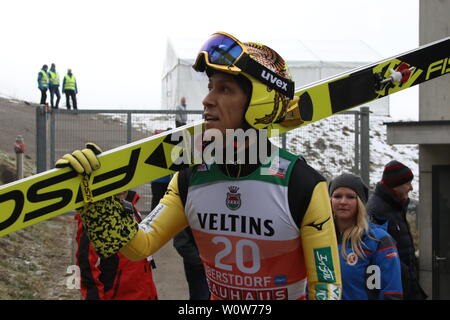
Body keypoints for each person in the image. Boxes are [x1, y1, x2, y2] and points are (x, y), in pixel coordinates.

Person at [56, 32, 342, 300]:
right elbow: (140, 245)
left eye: (225, 89)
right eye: (209, 88)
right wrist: (97, 201)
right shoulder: (189, 177)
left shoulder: (301, 184)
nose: (207, 100)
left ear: (259, 103)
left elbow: (327, 286)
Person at [329, 173, 403, 300]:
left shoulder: (379, 240)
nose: (343, 202)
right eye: (337, 196)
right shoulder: (319, 239)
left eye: (350, 197)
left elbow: (392, 293)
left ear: (360, 202)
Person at [75, 190, 158, 300]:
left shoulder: (128, 206)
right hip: (118, 294)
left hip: (144, 291)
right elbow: (85, 265)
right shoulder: (95, 217)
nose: (121, 189)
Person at [367, 160, 428, 300]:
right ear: (395, 186)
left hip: (406, 285)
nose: (411, 188)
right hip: (396, 288)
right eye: (407, 183)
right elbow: (380, 255)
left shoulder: (395, 207)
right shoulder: (377, 210)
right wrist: (408, 279)